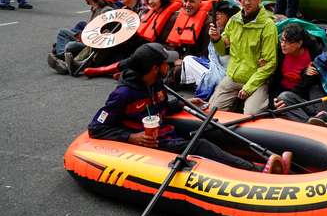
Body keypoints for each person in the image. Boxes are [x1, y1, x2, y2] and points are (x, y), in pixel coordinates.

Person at [88, 43, 290, 174]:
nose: (173, 64)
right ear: (155, 68)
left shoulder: (156, 84)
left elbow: (162, 107)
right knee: (200, 145)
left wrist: (184, 102)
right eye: (167, 63)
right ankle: (257, 169)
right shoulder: (123, 94)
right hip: (150, 144)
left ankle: (263, 161)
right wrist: (131, 137)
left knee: (209, 133)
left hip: (167, 134)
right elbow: (96, 127)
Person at [208, 0, 277, 115]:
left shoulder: (268, 26)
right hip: (233, 77)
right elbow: (222, 51)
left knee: (252, 114)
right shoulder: (234, 20)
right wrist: (216, 39)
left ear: (259, 0)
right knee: (212, 112)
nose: (246, 2)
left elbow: (270, 64)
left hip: (256, 81)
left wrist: (248, 88)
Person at [48, 0, 114, 74]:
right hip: (87, 39)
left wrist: (83, 36)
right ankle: (65, 60)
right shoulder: (95, 7)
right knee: (62, 33)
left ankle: (65, 62)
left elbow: (103, 33)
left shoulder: (106, 10)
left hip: (94, 44)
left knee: (70, 45)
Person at [269, 22, 316, 98]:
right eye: (282, 40)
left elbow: (309, 84)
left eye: (288, 42)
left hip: (301, 94)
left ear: (299, 43)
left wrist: (286, 99)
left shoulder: (313, 54)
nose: (283, 45)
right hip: (279, 91)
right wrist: (274, 100)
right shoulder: (279, 52)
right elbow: (274, 81)